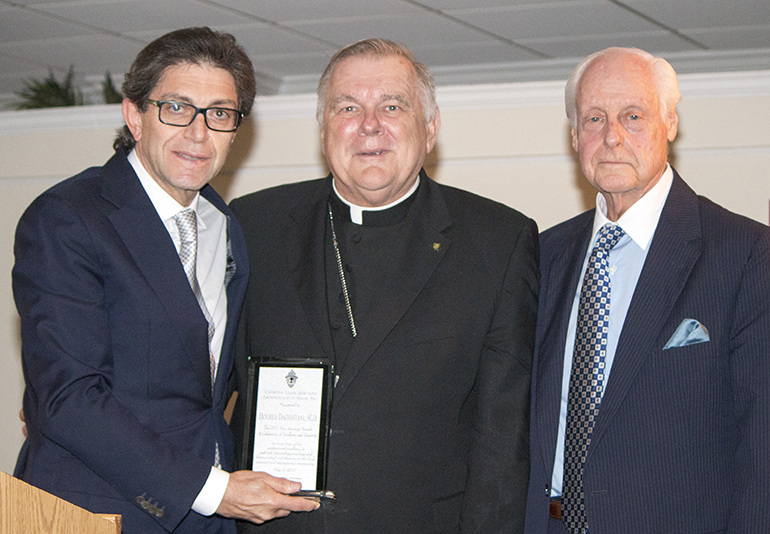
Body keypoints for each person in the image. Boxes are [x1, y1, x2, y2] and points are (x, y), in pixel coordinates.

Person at [12, 27, 317, 534]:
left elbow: (208, 381)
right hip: (88, 513)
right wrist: (216, 491)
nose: (198, 133)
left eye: (219, 113)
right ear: (134, 115)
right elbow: (69, 398)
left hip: (205, 520)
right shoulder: (68, 217)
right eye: (177, 108)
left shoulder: (226, 226)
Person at [228, 38, 539, 533]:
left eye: (392, 106)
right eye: (347, 107)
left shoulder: (497, 240)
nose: (369, 124)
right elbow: (207, 391)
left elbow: (503, 438)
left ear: (430, 128)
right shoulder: (252, 225)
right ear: (324, 128)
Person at [524, 47, 770, 534]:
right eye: (594, 118)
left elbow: (761, 449)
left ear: (670, 124)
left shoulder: (745, 255)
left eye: (632, 116)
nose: (611, 136)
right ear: (574, 135)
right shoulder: (540, 255)